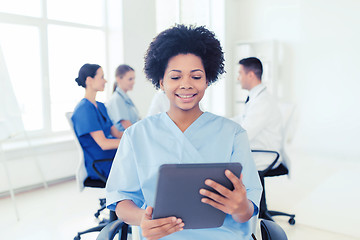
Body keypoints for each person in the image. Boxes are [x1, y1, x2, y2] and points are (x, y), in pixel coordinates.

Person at [106, 25, 262, 240]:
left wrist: (240, 207)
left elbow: (247, 210)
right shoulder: (137, 135)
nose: (186, 85)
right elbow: (121, 200)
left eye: (196, 77)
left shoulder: (233, 134)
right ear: (161, 82)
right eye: (175, 77)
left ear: (208, 80)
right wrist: (143, 217)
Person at [72, 63, 123, 180]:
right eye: (101, 77)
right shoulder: (83, 109)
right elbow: (103, 144)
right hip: (101, 163)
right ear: (89, 80)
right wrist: (129, 143)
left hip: (113, 156)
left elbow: (117, 134)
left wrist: (136, 136)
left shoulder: (101, 106)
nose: (105, 81)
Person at [232, 57, 283, 171]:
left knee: (222, 163)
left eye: (240, 73)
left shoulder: (262, 102)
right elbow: (242, 119)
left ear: (250, 75)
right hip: (257, 149)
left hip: (264, 155)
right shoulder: (257, 98)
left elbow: (245, 134)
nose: (238, 78)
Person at [106, 64, 140, 131]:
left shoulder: (124, 98)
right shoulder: (117, 99)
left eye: (134, 79)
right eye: (130, 79)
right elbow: (127, 126)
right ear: (118, 79)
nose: (133, 82)